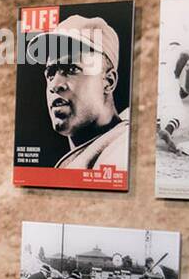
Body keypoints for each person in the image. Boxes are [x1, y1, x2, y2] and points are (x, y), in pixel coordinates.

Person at [27, 15, 129, 171]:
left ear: (108, 81)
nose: (55, 85)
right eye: (51, 73)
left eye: (71, 69)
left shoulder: (122, 151)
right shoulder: (98, 151)